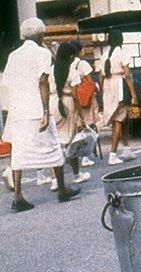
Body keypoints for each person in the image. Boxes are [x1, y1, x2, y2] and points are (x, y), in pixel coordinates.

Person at [0, 18, 79, 211]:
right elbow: (43, 81)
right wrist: (45, 110)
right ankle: (61, 189)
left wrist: (10, 109)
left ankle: (18, 196)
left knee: (18, 152)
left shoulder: (14, 55)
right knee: (53, 146)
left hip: (18, 109)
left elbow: (7, 83)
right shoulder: (42, 52)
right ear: (40, 34)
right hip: (36, 107)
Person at [51, 41, 91, 185]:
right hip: (68, 104)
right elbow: (75, 96)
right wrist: (81, 117)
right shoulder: (72, 72)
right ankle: (76, 174)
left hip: (53, 103)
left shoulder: (50, 70)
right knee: (72, 140)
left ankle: (55, 180)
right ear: (69, 56)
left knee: (55, 143)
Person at [101, 29, 138, 166]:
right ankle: (113, 154)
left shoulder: (105, 55)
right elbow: (127, 74)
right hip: (120, 85)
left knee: (123, 118)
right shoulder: (122, 53)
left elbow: (101, 76)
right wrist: (133, 94)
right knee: (118, 120)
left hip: (108, 85)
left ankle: (126, 149)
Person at [73, 41, 100, 167]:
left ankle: (79, 155)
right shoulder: (83, 63)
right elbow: (89, 80)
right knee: (89, 124)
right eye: (83, 48)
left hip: (76, 97)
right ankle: (86, 156)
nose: (84, 50)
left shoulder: (71, 64)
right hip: (86, 97)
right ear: (79, 50)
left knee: (80, 126)